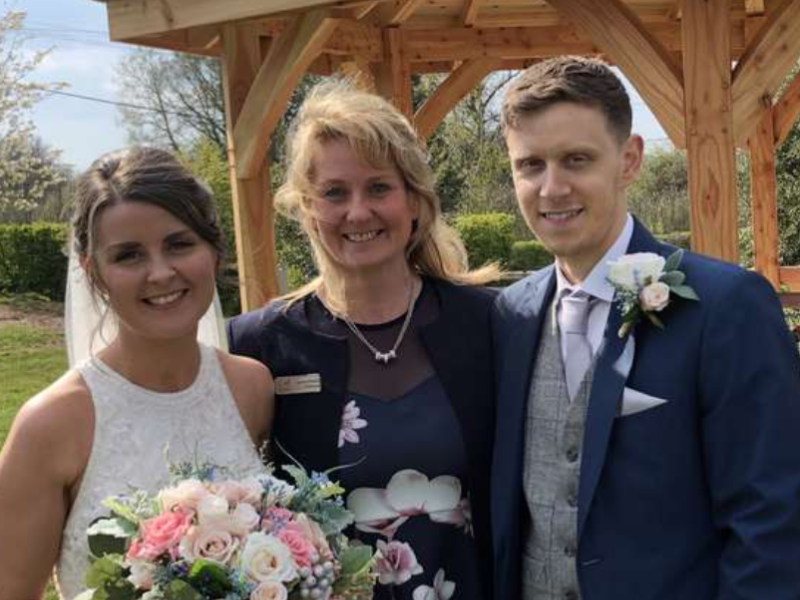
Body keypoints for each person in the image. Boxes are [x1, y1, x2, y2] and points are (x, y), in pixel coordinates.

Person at [491, 56, 800, 600]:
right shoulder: (508, 315)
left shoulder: (726, 307)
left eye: (577, 160)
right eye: (530, 165)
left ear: (629, 159)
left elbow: (770, 521)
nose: (551, 187)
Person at [227, 82, 496, 600]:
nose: (357, 212)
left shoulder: (488, 323)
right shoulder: (259, 345)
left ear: (414, 201)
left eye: (378, 188)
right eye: (334, 192)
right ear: (306, 208)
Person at [0, 147, 274, 600]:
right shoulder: (51, 424)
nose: (161, 272)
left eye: (179, 244)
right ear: (94, 273)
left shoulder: (252, 388)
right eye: (129, 256)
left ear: (213, 248)